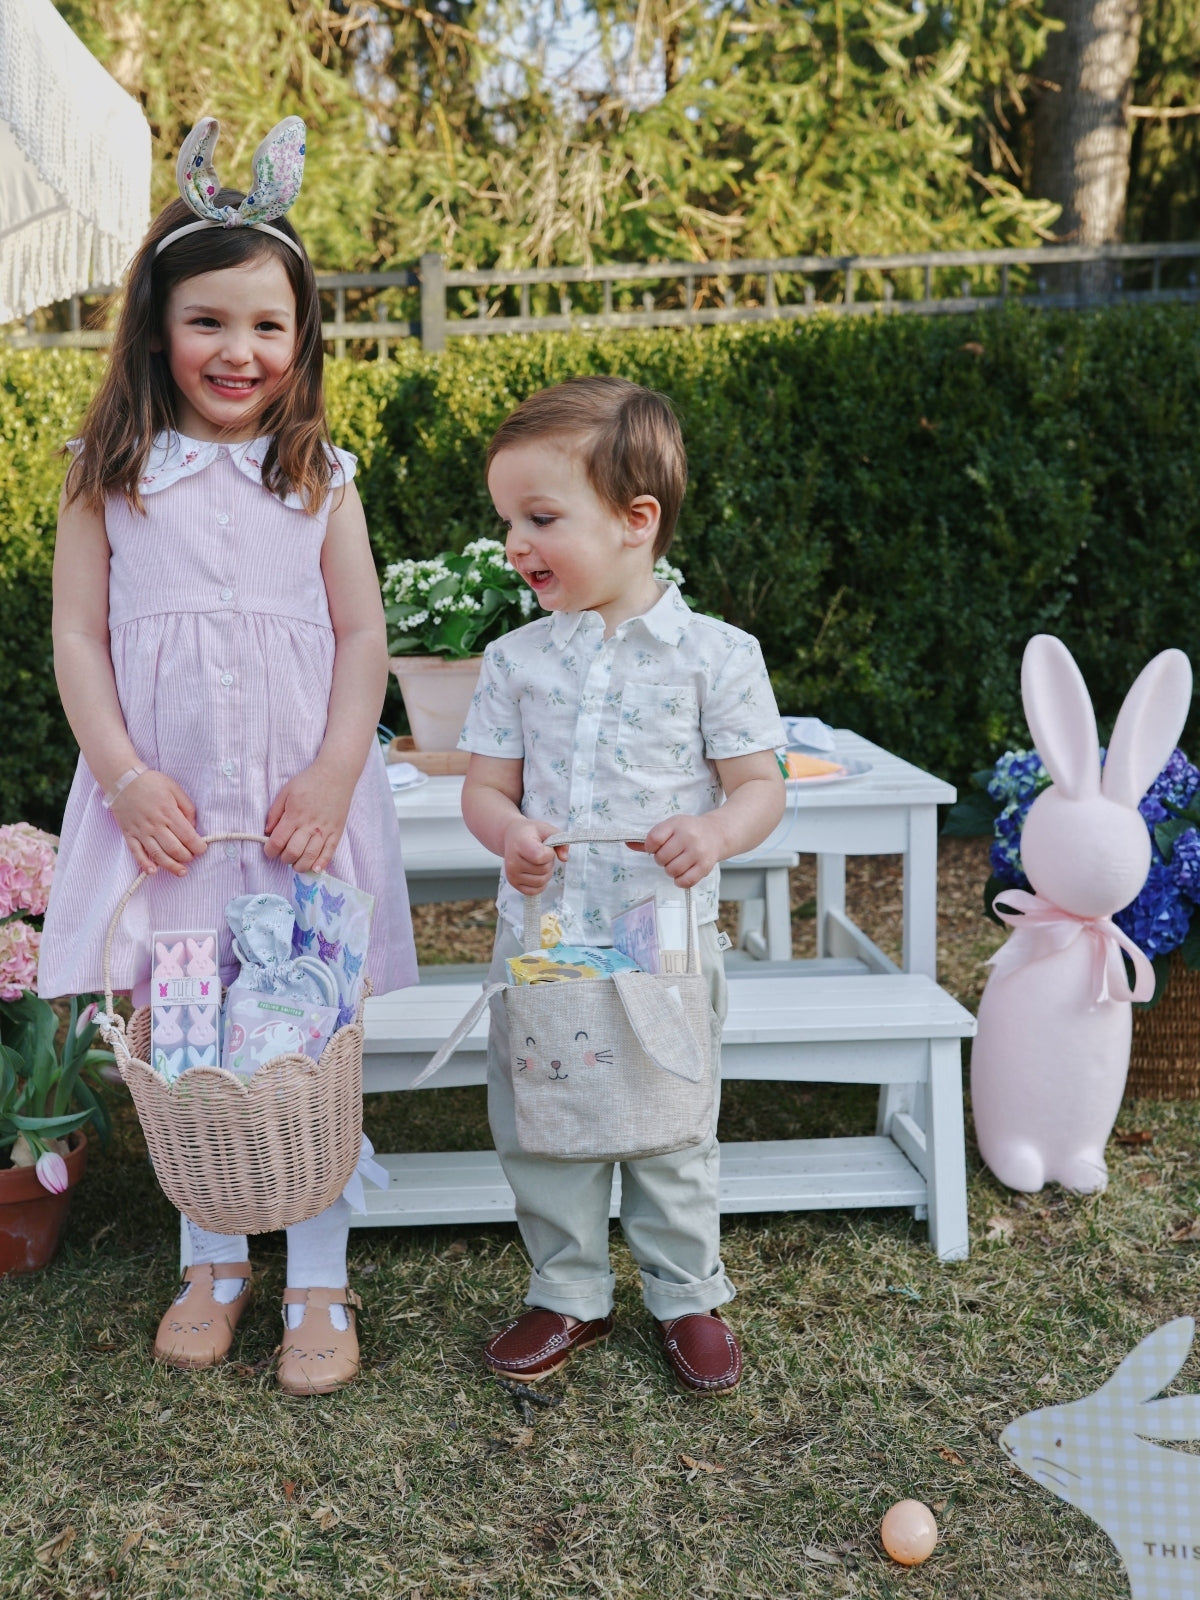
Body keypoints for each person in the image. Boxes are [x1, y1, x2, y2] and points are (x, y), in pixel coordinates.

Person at [37, 117, 417, 1394]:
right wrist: (130, 779)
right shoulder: (110, 472)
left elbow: (362, 635)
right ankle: (214, 1259)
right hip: (179, 819)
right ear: (156, 327)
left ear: (303, 336)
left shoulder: (320, 475)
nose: (238, 350)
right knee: (194, 1032)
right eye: (209, 321)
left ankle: (318, 1267)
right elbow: (79, 642)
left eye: (268, 324)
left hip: (300, 813)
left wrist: (334, 773)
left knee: (304, 1034)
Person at [459, 375, 785, 1394]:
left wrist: (713, 830)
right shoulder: (514, 662)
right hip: (552, 934)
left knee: (670, 1123)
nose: (517, 542)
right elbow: (483, 788)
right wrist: (509, 833)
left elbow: (759, 787)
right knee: (547, 1123)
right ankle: (568, 1290)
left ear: (637, 521)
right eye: (510, 519)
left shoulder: (716, 658)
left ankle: (688, 1293)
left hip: (661, 938)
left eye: (541, 518)